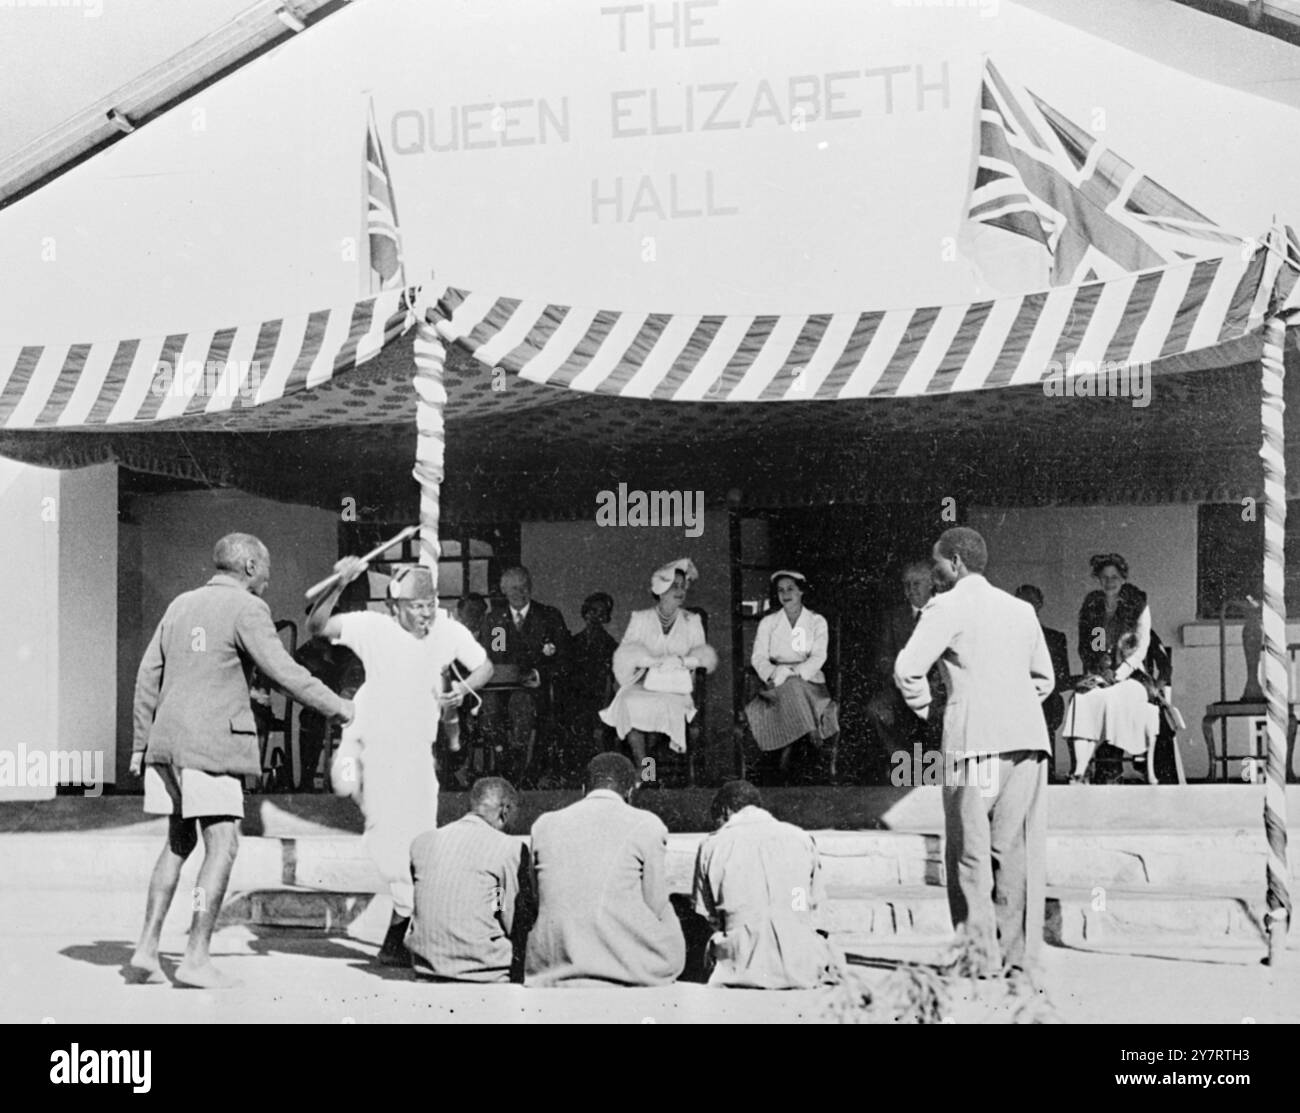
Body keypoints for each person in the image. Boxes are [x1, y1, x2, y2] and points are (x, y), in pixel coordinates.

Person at [128, 533, 354, 988]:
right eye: (266, 569)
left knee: (178, 842)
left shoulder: (180, 605)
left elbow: (148, 675)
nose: (269, 580)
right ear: (249, 566)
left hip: (166, 744)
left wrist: (140, 745)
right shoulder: (248, 609)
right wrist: (342, 707)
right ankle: (194, 958)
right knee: (223, 845)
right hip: (211, 746)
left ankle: (147, 951)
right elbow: (285, 673)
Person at [308, 560, 493, 966]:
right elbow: (317, 625)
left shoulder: (447, 631)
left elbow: (484, 665)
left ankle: (400, 937)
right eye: (417, 606)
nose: (427, 613)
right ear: (395, 607)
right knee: (382, 836)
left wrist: (462, 689)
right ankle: (402, 930)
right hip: (371, 745)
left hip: (415, 754)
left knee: (418, 843)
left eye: (431, 604)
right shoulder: (373, 627)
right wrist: (340, 581)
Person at [894, 527, 1054, 978]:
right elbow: (1044, 679)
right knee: (1014, 850)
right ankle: (1015, 958)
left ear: (956, 563)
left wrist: (934, 711)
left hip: (974, 743)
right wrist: (1013, 705)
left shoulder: (945, 606)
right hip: (1026, 741)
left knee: (969, 851)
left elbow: (908, 669)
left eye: (938, 564)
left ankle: (977, 958)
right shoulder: (1021, 609)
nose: (935, 571)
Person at [525, 752, 685, 986]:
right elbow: (656, 903)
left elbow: (535, 895)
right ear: (630, 792)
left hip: (553, 959)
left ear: (583, 789)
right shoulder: (648, 824)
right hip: (624, 961)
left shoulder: (543, 824)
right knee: (669, 913)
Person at [691, 780, 838, 989]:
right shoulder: (801, 838)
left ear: (725, 810)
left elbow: (708, 914)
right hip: (801, 965)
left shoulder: (712, 845)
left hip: (738, 966)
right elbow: (815, 909)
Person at [408, 777, 534, 983]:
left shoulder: (423, 842)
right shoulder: (508, 848)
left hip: (427, 966)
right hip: (486, 968)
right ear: (505, 810)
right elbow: (507, 913)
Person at [600, 558, 718, 773]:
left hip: (676, 688)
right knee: (629, 702)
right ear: (660, 590)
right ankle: (645, 769)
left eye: (683, 586)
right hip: (644, 685)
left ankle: (646, 771)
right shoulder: (641, 618)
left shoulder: (693, 620)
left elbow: (702, 658)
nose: (680, 591)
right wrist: (649, 663)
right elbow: (625, 655)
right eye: (674, 586)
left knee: (660, 711)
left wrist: (680, 662)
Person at [1063, 553, 1161, 784]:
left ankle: (1119, 762)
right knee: (1083, 699)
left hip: (1132, 675)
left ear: (1123, 578)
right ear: (1098, 579)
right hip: (1102, 674)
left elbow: (1141, 646)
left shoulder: (1137, 603)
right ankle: (1079, 769)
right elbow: (1090, 645)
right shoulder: (1093, 605)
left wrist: (1119, 674)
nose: (1110, 582)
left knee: (1115, 697)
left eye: (1114, 577)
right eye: (1104, 577)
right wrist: (1097, 673)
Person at [744, 571, 838, 783]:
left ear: (801, 591)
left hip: (810, 683)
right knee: (791, 687)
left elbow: (818, 655)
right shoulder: (768, 623)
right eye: (781, 590)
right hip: (776, 684)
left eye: (790, 589)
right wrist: (776, 673)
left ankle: (787, 756)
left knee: (795, 685)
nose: (785, 594)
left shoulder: (816, 621)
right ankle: (812, 731)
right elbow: (758, 658)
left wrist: (795, 673)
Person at [481, 566, 569, 785]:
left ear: (531, 588)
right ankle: (503, 757)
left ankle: (521, 763)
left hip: (537, 689)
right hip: (502, 690)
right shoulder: (496, 621)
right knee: (489, 708)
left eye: (524, 587)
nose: (520, 593)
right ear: (504, 591)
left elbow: (564, 658)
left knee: (523, 705)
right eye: (513, 589)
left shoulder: (548, 616)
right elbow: (496, 655)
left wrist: (538, 673)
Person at [866, 560, 944, 780]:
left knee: (943, 714)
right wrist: (903, 677)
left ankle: (931, 770)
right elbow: (883, 659)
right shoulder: (894, 616)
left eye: (916, 583)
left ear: (931, 584)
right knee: (876, 710)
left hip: (936, 690)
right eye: (906, 584)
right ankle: (902, 763)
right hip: (900, 688)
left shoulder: (945, 614)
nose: (909, 590)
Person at [558, 592, 619, 776]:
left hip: (601, 700)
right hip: (576, 699)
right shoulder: (573, 643)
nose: (595, 617)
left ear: (606, 617)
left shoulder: (610, 646)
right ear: (585, 613)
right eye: (592, 611)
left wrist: (604, 708)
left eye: (601, 613)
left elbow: (609, 682)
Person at [1014, 584, 1072, 742]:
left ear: (1040, 604)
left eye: (1032, 601)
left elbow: (1061, 679)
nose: (1028, 606)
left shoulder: (1056, 638)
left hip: (1046, 701)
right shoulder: (1006, 638)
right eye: (1023, 601)